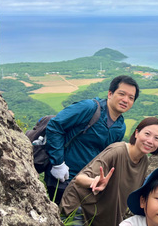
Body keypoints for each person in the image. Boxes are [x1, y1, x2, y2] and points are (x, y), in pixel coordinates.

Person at [60, 116, 158, 226]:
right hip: (79, 210)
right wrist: (95, 181)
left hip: (100, 219)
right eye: (147, 134)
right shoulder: (117, 151)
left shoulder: (144, 162)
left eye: (156, 138)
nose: (150, 141)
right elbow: (80, 179)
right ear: (136, 133)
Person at [45, 75, 140, 203]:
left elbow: (107, 155)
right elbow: (55, 126)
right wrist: (58, 164)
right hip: (62, 177)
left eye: (131, 98)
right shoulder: (90, 108)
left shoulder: (120, 127)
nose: (125, 100)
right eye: (121, 94)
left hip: (87, 183)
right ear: (110, 94)